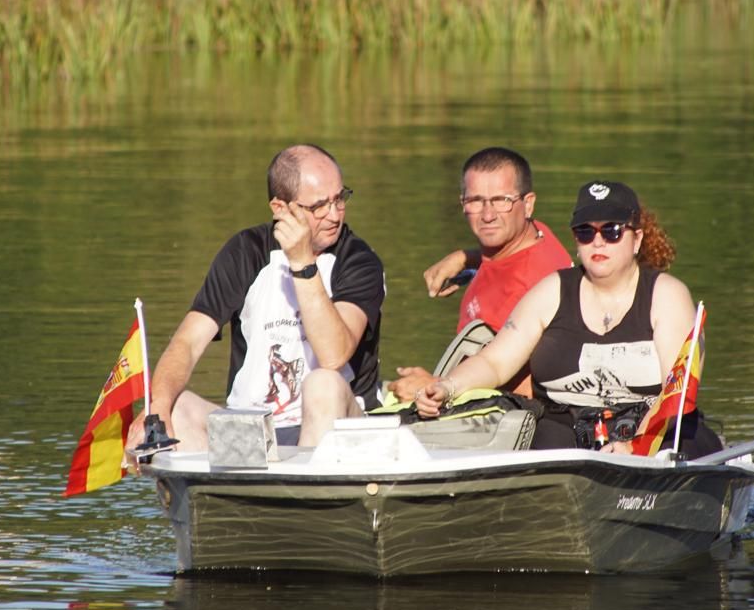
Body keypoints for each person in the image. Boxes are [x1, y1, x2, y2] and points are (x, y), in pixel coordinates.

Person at [414, 179, 718, 455]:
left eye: (611, 231)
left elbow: (674, 392)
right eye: (586, 232)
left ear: (636, 239)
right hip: (565, 430)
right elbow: (495, 362)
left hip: (656, 430)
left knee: (684, 443)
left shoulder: (667, 296)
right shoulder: (551, 291)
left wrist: (635, 446)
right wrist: (446, 388)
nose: (597, 242)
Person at [134, 144, 385, 450]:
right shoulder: (246, 252)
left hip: (338, 429)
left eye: (340, 199)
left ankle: (309, 491)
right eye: (319, 206)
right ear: (280, 208)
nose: (335, 215)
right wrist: (156, 408)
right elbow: (187, 342)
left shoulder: (358, 260)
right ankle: (223, 492)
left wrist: (304, 265)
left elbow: (334, 355)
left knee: (323, 383)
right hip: (253, 433)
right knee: (175, 405)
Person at [387, 147, 571, 401]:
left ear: (527, 204)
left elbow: (529, 389)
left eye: (501, 200)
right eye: (475, 201)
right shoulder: (537, 236)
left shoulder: (530, 290)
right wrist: (467, 258)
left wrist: (431, 386)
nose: (487, 215)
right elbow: (509, 258)